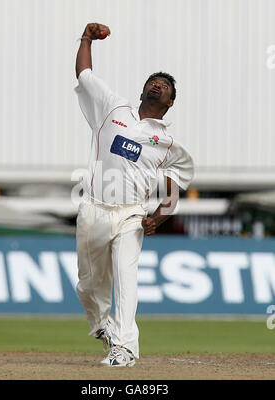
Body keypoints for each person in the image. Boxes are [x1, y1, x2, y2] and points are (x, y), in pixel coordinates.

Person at [74, 22, 194, 367]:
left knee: (126, 278)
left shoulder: (167, 142)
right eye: (154, 81)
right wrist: (86, 38)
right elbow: (84, 74)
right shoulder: (113, 107)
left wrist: (159, 216)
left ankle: (125, 347)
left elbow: (176, 182)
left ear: (170, 102)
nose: (158, 84)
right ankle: (102, 327)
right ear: (143, 90)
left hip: (131, 215)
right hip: (93, 208)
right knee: (87, 285)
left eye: (166, 86)